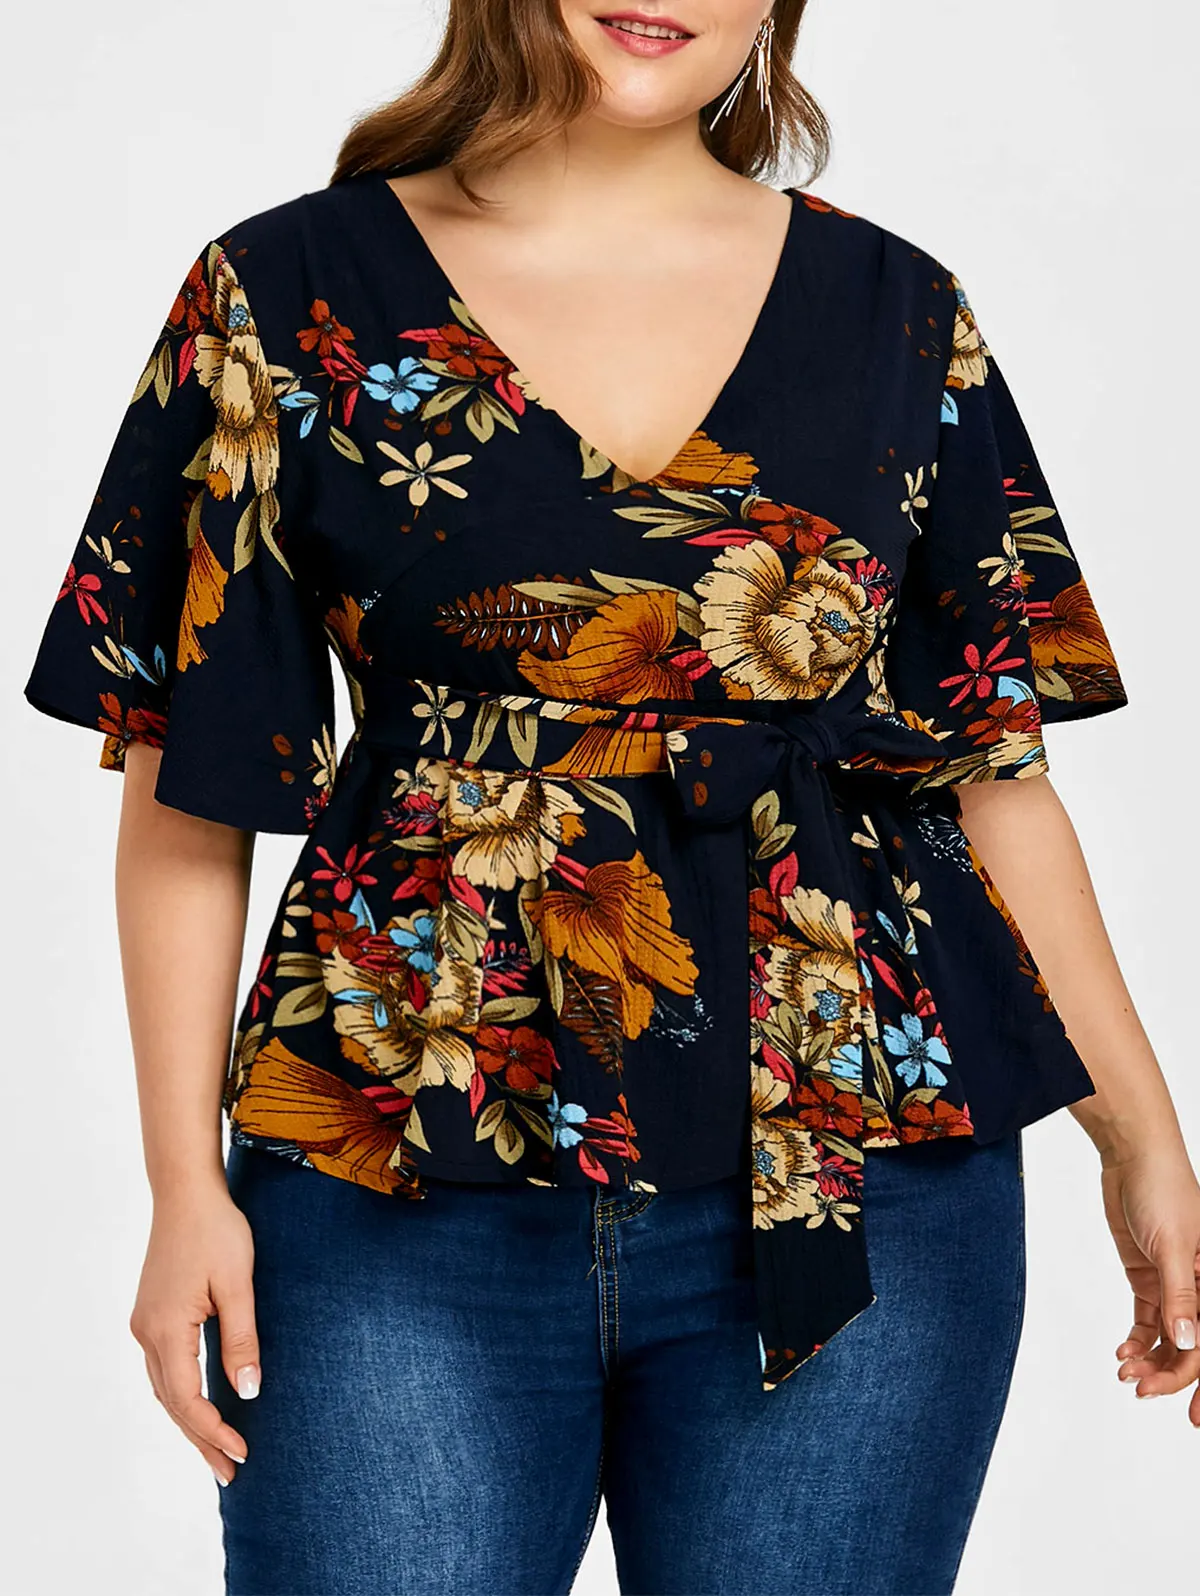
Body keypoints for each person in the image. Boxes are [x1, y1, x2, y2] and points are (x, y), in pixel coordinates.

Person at [22, 3, 1200, 1593]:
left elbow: (987, 774)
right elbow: (192, 778)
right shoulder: (283, 292)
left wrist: (1141, 1140)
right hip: (394, 1153)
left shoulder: (898, 311)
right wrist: (183, 1189)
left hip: (858, 1162)